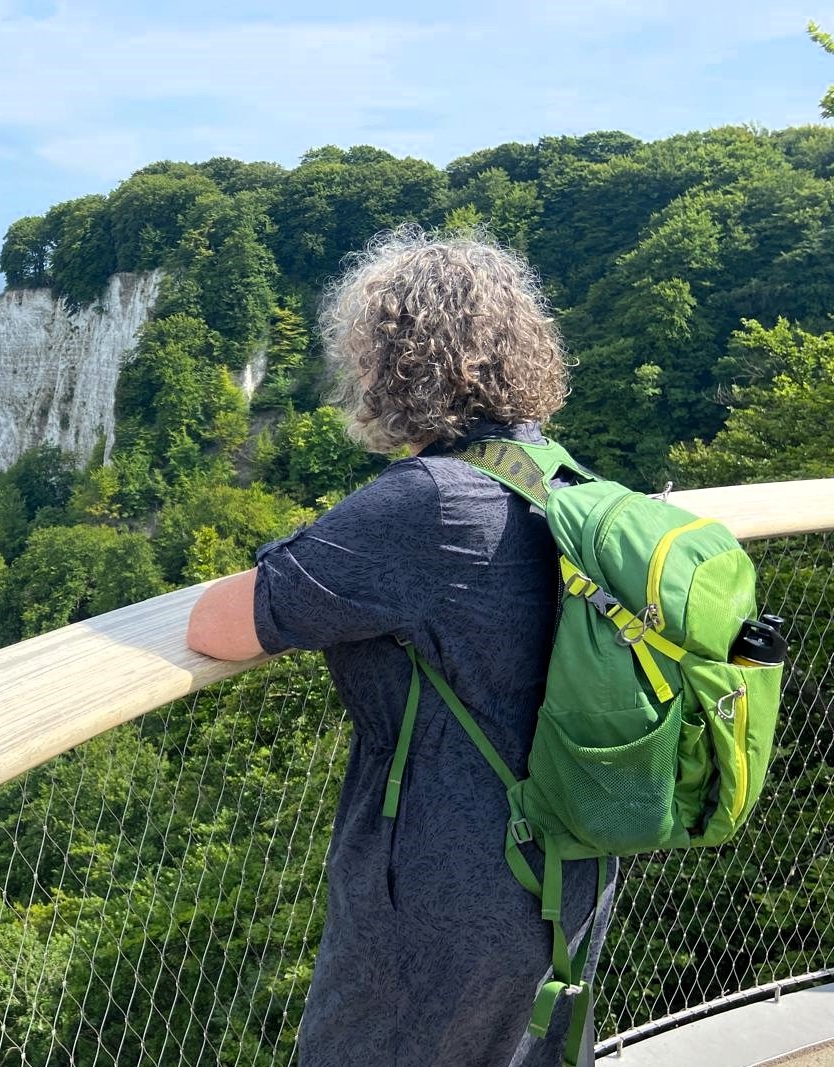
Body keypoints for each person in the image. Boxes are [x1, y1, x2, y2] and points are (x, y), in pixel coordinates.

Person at [187, 227, 616, 1066]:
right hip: (569, 865)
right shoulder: (563, 480)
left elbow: (218, 625)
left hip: (439, 895)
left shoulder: (428, 507)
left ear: (390, 365)